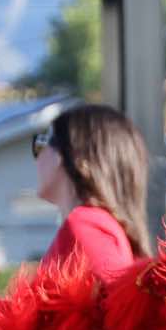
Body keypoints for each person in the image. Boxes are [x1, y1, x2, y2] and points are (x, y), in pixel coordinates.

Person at [33, 103, 151, 277]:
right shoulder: (95, 224)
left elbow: (111, 291)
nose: (37, 158)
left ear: (71, 155)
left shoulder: (85, 224)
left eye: (41, 144)